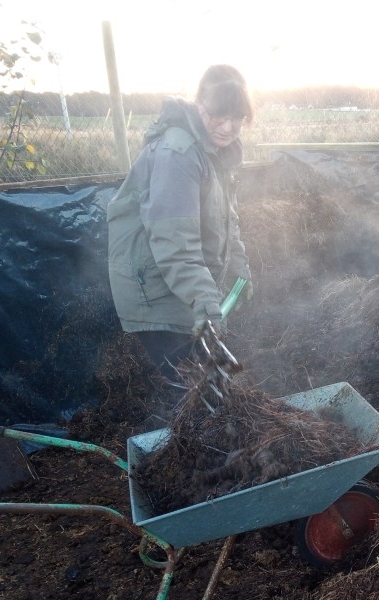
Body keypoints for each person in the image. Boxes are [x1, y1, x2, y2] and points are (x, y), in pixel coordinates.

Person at [107, 64, 254, 378]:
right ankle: (187, 423)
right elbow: (175, 242)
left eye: (237, 118)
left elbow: (228, 222)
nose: (228, 127)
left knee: (201, 377)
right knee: (186, 384)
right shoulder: (179, 154)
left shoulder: (217, 152)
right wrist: (203, 298)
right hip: (156, 289)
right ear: (200, 103)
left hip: (179, 284)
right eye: (219, 115)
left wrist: (240, 270)